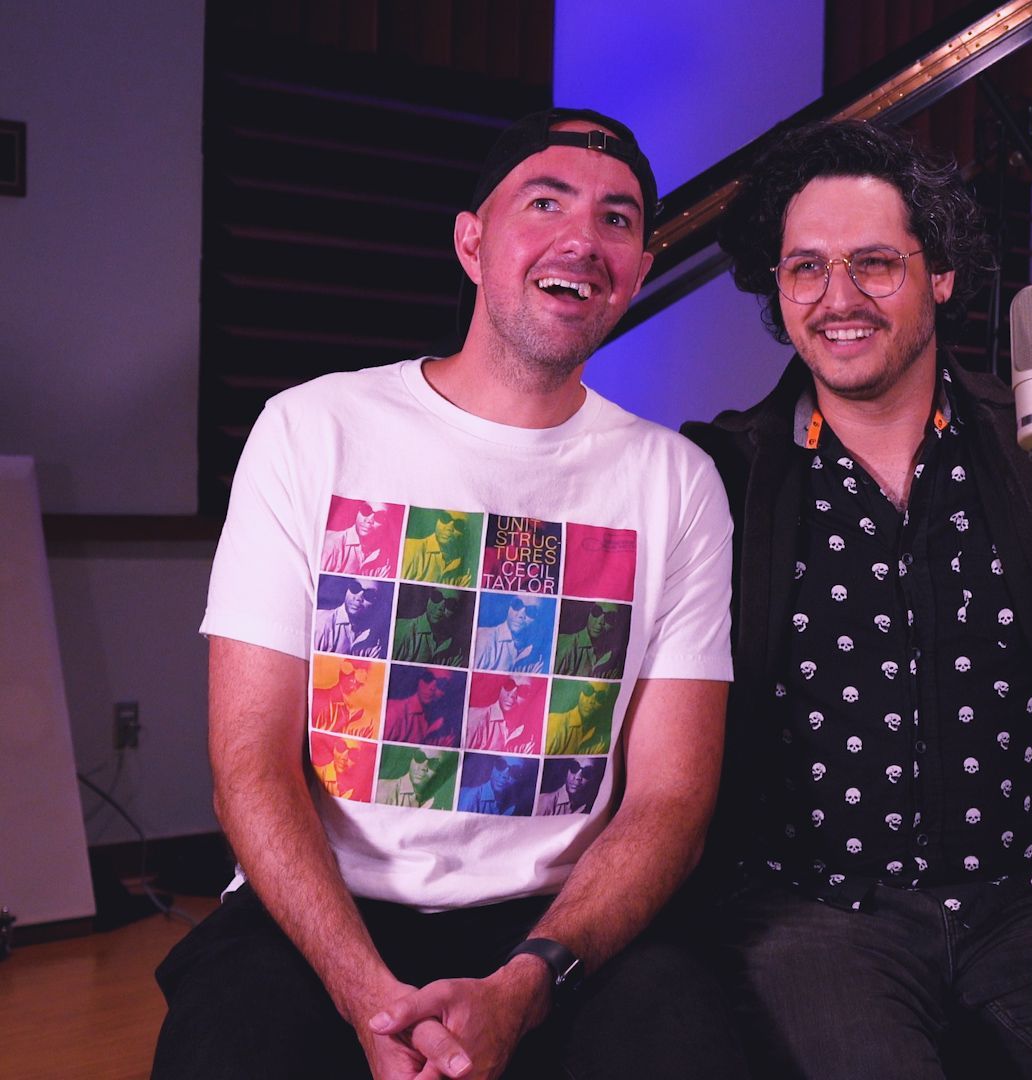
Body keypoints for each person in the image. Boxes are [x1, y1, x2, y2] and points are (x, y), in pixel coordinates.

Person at [156, 108, 744, 1080]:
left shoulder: (675, 483)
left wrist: (523, 986)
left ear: (640, 268)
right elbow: (249, 767)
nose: (581, 241)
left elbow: (672, 799)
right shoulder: (312, 431)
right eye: (544, 202)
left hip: (556, 931)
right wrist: (367, 997)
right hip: (322, 912)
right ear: (471, 241)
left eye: (618, 219)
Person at [683, 119, 1032, 1080]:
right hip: (817, 907)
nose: (838, 300)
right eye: (806, 269)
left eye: (876, 264)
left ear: (945, 275)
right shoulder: (723, 472)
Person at [392, 586, 470, 667]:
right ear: (429, 598)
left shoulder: (458, 649)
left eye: (450, 604)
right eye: (437, 597)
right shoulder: (400, 630)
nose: (440, 607)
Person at [314, 577, 387, 657]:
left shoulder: (376, 639)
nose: (358, 598)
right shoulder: (320, 622)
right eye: (355, 588)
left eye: (369, 594)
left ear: (377, 603)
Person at [322, 500, 396, 577]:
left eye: (380, 516)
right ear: (358, 511)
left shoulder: (385, 559)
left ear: (387, 524)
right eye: (366, 510)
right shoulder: (331, 544)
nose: (369, 520)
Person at [384, 667, 453, 746]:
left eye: (441, 683)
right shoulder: (394, 712)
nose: (431, 687)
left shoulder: (445, 726)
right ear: (419, 679)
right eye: (428, 677)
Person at [554, 601, 624, 678]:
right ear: (589, 612)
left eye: (610, 617)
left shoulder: (612, 658)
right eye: (597, 612)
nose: (600, 621)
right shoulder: (564, 645)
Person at [546, 681, 612, 756]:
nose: (591, 701)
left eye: (600, 696)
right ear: (580, 690)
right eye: (588, 690)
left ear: (605, 703)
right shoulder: (554, 722)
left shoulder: (601, 739)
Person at [378, 747, 451, 809]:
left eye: (433, 762)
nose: (423, 767)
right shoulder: (383, 789)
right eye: (420, 757)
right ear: (411, 758)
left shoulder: (444, 801)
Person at [535, 758, 602, 816]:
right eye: (574, 768)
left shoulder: (594, 805)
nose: (577, 777)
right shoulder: (544, 802)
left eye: (587, 772)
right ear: (567, 770)